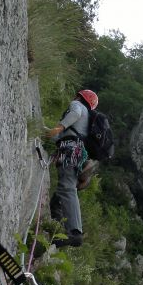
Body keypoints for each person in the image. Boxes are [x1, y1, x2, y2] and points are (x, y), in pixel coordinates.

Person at [44, 89, 98, 247]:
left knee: (67, 189)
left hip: (70, 151)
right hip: (74, 151)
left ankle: (74, 233)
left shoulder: (77, 105)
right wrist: (48, 133)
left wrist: (59, 127)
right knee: (62, 192)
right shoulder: (87, 119)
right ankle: (58, 226)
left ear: (79, 97)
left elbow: (73, 113)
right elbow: (60, 137)